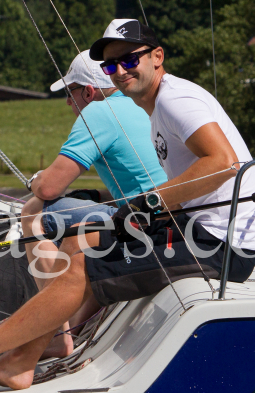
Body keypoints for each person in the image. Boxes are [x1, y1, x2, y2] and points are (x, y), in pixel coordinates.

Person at [0, 20, 255, 388]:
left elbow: (224, 163)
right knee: (77, 243)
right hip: (192, 228)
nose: (120, 71)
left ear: (157, 57)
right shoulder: (155, 105)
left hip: (216, 243)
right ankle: (20, 362)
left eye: (129, 60)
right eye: (111, 65)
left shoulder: (174, 99)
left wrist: (147, 204)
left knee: (79, 269)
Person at [22, 50, 166, 355]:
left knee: (33, 213)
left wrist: (32, 181)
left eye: (70, 93)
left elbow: (48, 188)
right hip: (172, 218)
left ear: (88, 91)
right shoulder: (143, 104)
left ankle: (55, 332)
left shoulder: (99, 112)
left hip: (146, 224)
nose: (67, 102)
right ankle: (74, 323)